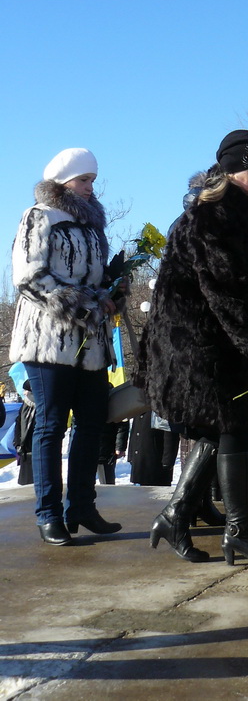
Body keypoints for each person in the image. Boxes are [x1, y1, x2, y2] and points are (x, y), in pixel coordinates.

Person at [136, 129, 248, 565]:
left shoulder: (239, 214)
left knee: (219, 431)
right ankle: (240, 531)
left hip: (215, 340)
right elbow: (225, 292)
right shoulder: (213, 217)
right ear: (234, 172)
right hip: (197, 345)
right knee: (232, 425)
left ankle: (176, 515)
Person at [10, 148, 122, 545]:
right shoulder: (38, 216)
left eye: (92, 180)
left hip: (89, 342)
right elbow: (29, 278)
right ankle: (48, 513)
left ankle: (82, 506)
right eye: (84, 180)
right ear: (62, 182)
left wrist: (111, 292)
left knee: (92, 423)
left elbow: (96, 276)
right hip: (47, 341)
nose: (90, 188)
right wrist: (86, 302)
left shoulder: (92, 225)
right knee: (51, 425)